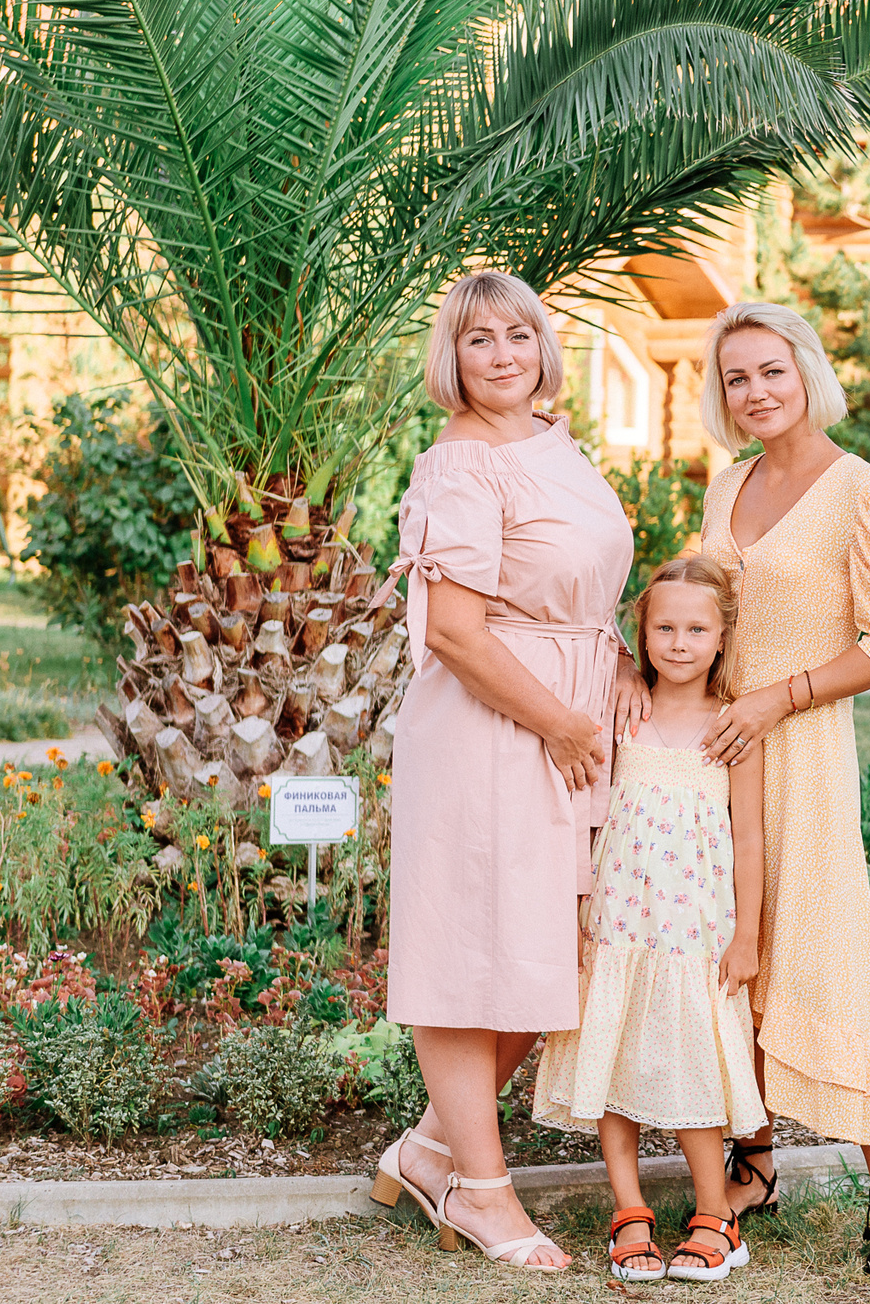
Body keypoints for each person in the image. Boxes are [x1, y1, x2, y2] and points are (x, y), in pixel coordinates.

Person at [369, 269, 645, 1274]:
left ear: (543, 347)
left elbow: (578, 586)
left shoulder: (553, 442)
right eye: (478, 339)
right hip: (493, 732)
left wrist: (617, 665)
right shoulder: (460, 465)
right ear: (452, 357)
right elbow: (453, 631)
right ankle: (482, 1192)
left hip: (569, 720)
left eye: (517, 335)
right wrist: (563, 722)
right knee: (469, 960)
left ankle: (430, 1150)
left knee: (551, 954)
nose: (501, 355)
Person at [695, 301, 870, 1277]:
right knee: (731, 953)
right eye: (737, 377)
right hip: (717, 751)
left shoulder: (863, 491)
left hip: (804, 752)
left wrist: (777, 698)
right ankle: (753, 1162)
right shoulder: (726, 484)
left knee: (824, 957)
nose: (756, 391)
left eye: (771, 371)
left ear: (806, 374)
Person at [533, 556, 768, 1283]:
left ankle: (716, 1213)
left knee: (695, 1063)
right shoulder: (621, 714)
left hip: (695, 935)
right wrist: (574, 907)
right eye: (664, 628)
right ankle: (629, 1210)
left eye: (697, 629)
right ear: (643, 634)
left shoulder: (733, 727)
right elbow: (587, 814)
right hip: (618, 928)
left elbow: (751, 838)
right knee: (612, 1054)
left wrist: (748, 936)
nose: (679, 643)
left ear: (722, 637)